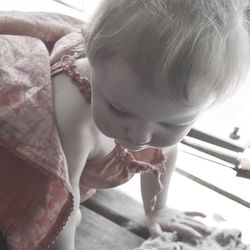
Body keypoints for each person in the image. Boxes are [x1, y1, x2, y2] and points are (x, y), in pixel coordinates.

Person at [0, 0, 249, 249]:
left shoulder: (147, 108)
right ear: (94, 64)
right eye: (119, 110)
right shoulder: (72, 118)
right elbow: (61, 199)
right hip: (37, 162)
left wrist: (157, 209)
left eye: (173, 124)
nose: (141, 136)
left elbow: (165, 153)